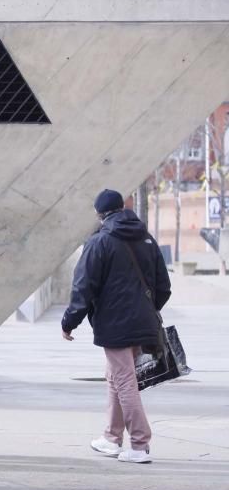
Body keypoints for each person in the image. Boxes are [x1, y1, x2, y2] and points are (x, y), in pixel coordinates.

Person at [61, 189, 172, 464]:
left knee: (124, 380)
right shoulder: (146, 239)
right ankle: (111, 438)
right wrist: (146, 310)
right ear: (122, 208)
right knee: (116, 375)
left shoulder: (100, 242)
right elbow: (164, 287)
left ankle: (139, 443)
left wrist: (69, 322)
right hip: (142, 319)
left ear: (100, 214)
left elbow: (83, 286)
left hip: (115, 323)